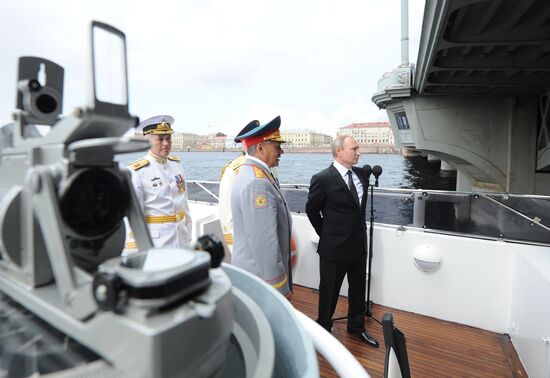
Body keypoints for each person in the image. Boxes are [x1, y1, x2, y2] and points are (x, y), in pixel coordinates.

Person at [305, 135, 379, 347]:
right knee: (329, 291)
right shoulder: (322, 178)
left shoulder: (362, 175)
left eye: (358, 148)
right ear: (339, 151)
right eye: (354, 148)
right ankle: (324, 330)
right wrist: (326, 235)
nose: (359, 152)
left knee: (358, 289)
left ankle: (357, 328)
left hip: (358, 245)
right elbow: (312, 210)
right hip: (333, 248)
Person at [231, 116, 293, 298]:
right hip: (261, 280)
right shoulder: (257, 182)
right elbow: (264, 242)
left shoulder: (251, 173)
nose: (281, 152)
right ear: (260, 148)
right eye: (277, 146)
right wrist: (279, 286)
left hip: (255, 276)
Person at [124, 115, 192, 251]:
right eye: (160, 139)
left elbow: (184, 203)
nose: (166, 143)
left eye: (168, 138)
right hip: (157, 243)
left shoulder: (177, 165)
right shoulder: (137, 172)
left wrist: (188, 231)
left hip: (181, 238)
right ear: (148, 140)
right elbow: (132, 216)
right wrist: (134, 249)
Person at [218, 119, 260, 254]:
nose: (255, 142)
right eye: (251, 139)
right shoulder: (234, 170)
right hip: (247, 246)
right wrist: (236, 248)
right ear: (243, 143)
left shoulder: (269, 167)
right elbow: (227, 214)